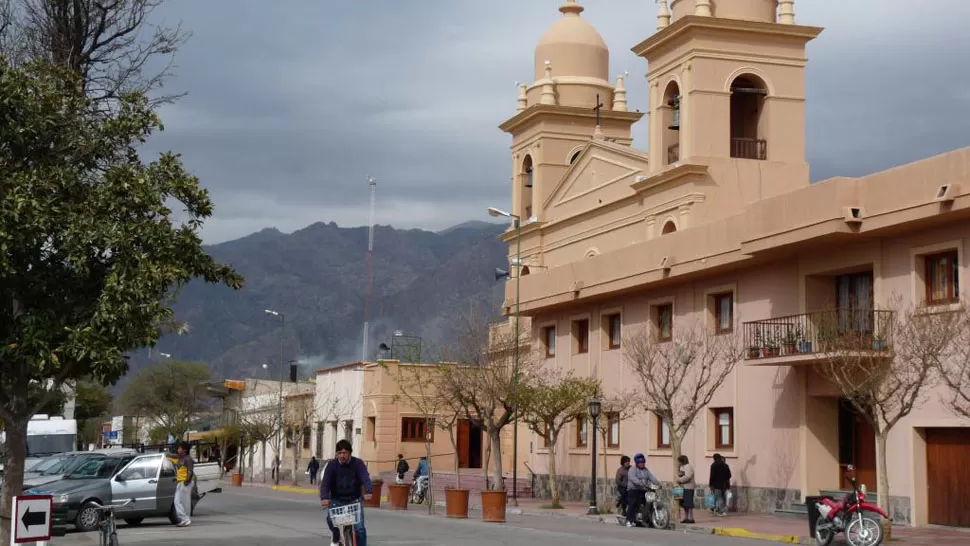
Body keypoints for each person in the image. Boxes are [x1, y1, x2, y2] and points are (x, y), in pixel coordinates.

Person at [320, 439, 373, 546]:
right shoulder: (332, 465)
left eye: (344, 453)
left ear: (350, 453)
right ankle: (336, 538)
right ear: (336, 454)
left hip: (354, 500)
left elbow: (365, 477)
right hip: (337, 500)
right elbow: (326, 482)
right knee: (331, 521)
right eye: (339, 453)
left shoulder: (358, 463)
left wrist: (368, 490)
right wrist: (324, 497)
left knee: (360, 530)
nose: (342, 456)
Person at [625, 453, 661, 527]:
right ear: (637, 463)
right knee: (633, 503)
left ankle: (649, 520)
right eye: (640, 463)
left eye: (643, 462)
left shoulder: (646, 470)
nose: (642, 464)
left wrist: (658, 483)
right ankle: (629, 520)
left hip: (643, 489)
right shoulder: (632, 470)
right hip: (633, 489)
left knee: (649, 502)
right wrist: (640, 483)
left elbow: (651, 477)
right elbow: (633, 479)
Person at [166, 441, 195, 527]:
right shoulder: (180, 458)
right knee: (180, 502)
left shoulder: (188, 459)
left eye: (180, 448)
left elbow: (190, 471)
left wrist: (186, 482)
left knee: (179, 502)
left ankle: (186, 519)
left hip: (185, 482)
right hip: (181, 482)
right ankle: (184, 519)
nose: (178, 450)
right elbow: (171, 458)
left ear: (184, 450)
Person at [676, 454, 696, 524]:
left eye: (679, 461)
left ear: (682, 461)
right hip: (683, 488)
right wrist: (679, 469)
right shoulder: (682, 467)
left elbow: (687, 477)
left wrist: (679, 480)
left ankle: (691, 518)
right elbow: (680, 475)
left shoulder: (688, 467)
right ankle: (686, 517)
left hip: (689, 487)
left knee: (689, 503)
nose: (678, 463)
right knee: (684, 504)